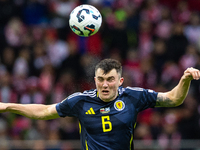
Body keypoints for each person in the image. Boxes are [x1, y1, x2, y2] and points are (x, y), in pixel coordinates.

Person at [0, 58, 200, 150]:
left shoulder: (133, 96)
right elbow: (44, 111)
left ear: (120, 81)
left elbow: (174, 99)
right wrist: (8, 106)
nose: (105, 84)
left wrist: (185, 80)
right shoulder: (80, 101)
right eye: (101, 79)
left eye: (110, 79)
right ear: (95, 80)